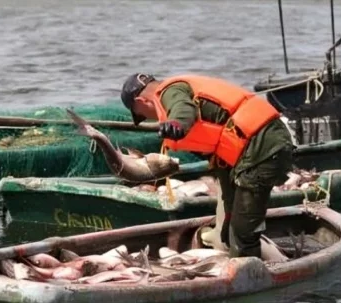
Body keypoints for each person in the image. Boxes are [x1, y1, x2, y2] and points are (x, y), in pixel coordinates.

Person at [120, 73, 294, 262]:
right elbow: (224, 166)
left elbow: (184, 110)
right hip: (252, 149)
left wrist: (176, 123)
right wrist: (227, 216)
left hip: (263, 145)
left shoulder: (170, 92)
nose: (149, 119)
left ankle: (248, 277)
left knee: (244, 230)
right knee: (231, 228)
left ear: (141, 101)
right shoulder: (185, 99)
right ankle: (241, 261)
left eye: (143, 115)